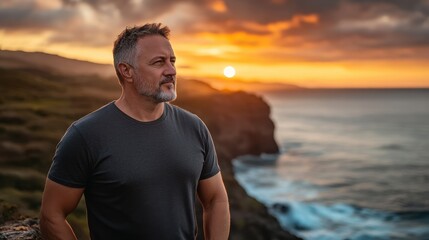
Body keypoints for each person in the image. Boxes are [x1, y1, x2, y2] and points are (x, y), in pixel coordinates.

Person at [39, 23, 230, 240]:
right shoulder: (86, 135)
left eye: (172, 61)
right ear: (127, 71)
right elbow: (51, 215)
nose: (171, 70)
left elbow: (216, 199)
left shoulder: (194, 127)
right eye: (159, 62)